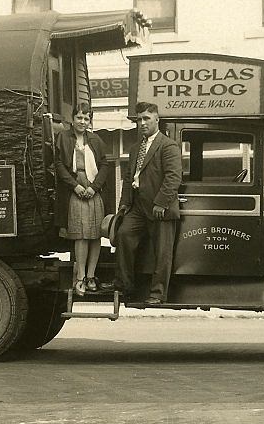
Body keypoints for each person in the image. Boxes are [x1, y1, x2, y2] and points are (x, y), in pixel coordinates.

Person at [115, 101, 182, 305]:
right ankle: (125, 287)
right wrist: (124, 204)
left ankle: (157, 294)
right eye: (139, 120)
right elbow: (129, 178)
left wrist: (161, 203)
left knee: (162, 253)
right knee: (123, 235)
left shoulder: (168, 145)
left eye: (146, 119)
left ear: (157, 120)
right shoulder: (136, 148)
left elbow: (173, 177)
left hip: (159, 208)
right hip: (137, 207)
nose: (142, 123)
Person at [55, 103, 110, 296]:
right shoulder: (63, 137)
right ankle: (79, 278)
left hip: (93, 192)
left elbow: (104, 165)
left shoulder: (95, 140)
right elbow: (60, 165)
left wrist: (94, 188)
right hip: (75, 191)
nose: (83, 122)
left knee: (95, 235)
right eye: (79, 117)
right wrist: (75, 186)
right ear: (73, 118)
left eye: (86, 118)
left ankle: (91, 276)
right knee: (80, 235)